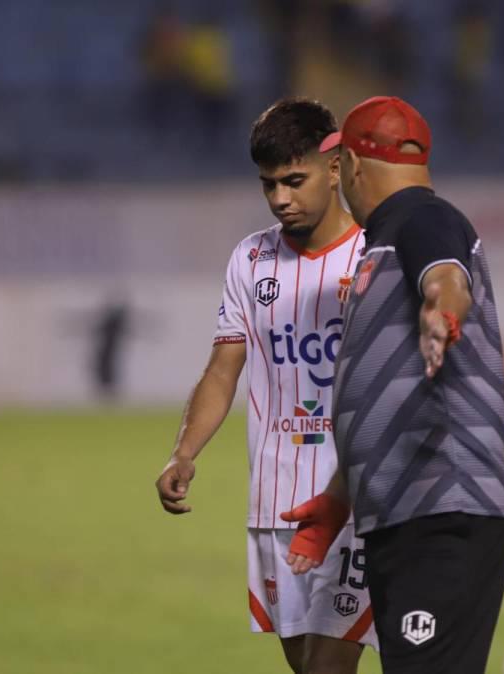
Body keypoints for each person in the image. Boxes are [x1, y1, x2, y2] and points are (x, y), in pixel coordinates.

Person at [281, 96, 504, 674]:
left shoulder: (423, 218)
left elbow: (444, 276)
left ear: (357, 168)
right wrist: (341, 497)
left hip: (442, 504)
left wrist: (442, 311)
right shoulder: (390, 235)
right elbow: (389, 392)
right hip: (408, 510)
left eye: (340, 169)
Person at [154, 97, 376, 674]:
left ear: (335, 169)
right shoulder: (251, 260)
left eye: (294, 180)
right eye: (268, 185)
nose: (281, 199)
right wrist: (184, 452)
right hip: (274, 505)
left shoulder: (375, 255)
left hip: (356, 502)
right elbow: (223, 369)